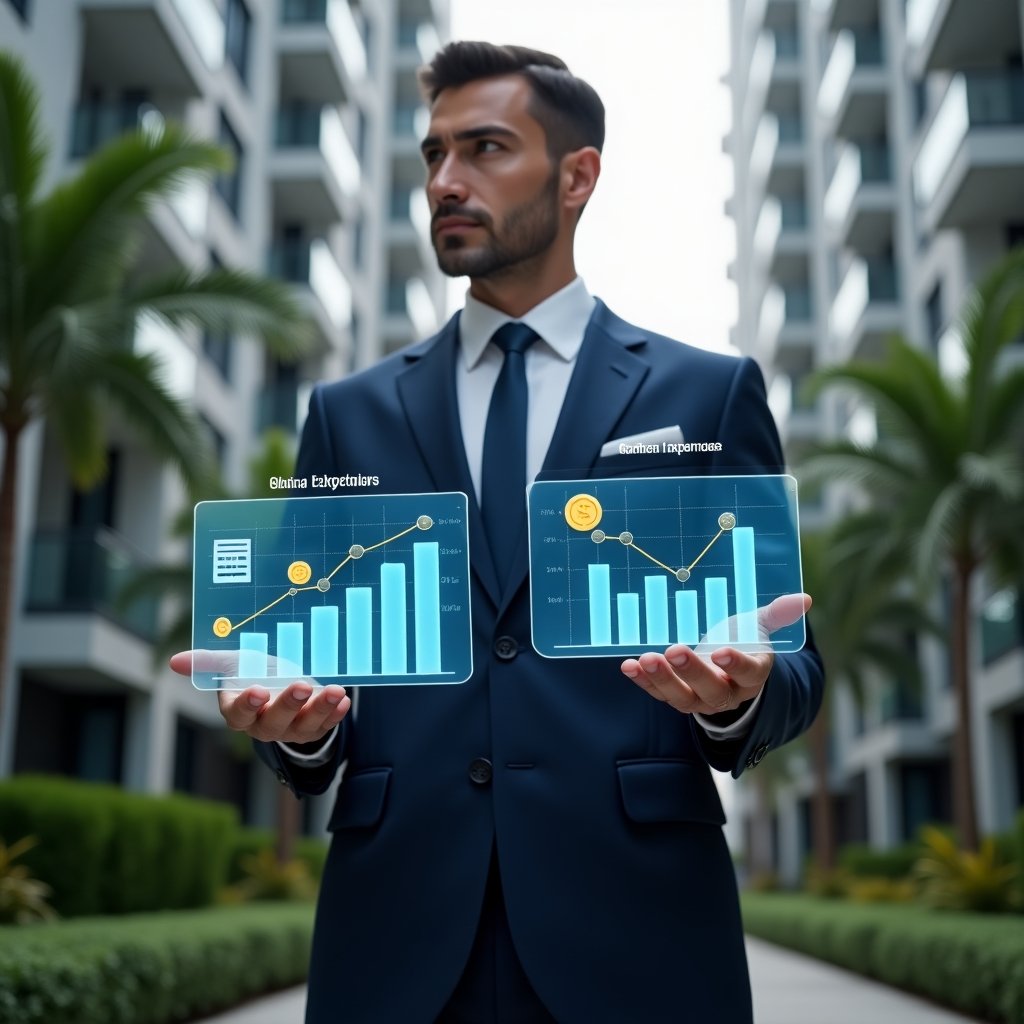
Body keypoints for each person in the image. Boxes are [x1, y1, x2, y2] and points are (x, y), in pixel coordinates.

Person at [173, 41, 823, 1024]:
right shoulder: (347, 413)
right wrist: (303, 734)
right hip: (399, 931)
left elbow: (796, 663)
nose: (445, 180)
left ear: (577, 176)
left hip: (636, 929)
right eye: (433, 154)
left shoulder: (706, 393)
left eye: (483, 148)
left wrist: (742, 693)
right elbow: (298, 658)